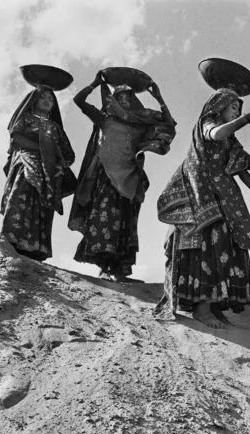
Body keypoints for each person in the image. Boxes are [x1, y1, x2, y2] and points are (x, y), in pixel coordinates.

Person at [154, 88, 250, 328]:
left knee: (225, 246)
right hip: (200, 197)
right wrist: (249, 118)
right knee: (208, 245)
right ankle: (201, 309)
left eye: (239, 108)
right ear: (219, 106)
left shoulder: (231, 142)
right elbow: (213, 134)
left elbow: (244, 174)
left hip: (224, 198)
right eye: (233, 106)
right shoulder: (206, 125)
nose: (237, 111)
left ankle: (214, 306)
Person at [69, 71, 176, 281]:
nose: (125, 101)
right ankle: (104, 267)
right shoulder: (105, 119)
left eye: (128, 97)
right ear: (114, 100)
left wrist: (159, 98)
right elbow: (78, 100)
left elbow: (168, 124)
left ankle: (119, 270)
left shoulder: (140, 122)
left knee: (126, 220)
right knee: (106, 216)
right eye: (120, 97)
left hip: (130, 177)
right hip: (106, 175)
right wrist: (93, 83)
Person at [1, 85, 76, 261]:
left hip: (49, 169)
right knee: (23, 190)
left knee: (44, 203)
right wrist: (42, 149)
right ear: (34, 100)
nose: (47, 101)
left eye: (51, 99)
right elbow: (16, 137)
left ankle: (35, 248)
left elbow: (69, 154)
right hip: (27, 158)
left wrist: (60, 165)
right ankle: (10, 238)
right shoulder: (26, 118)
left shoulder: (55, 127)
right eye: (43, 97)